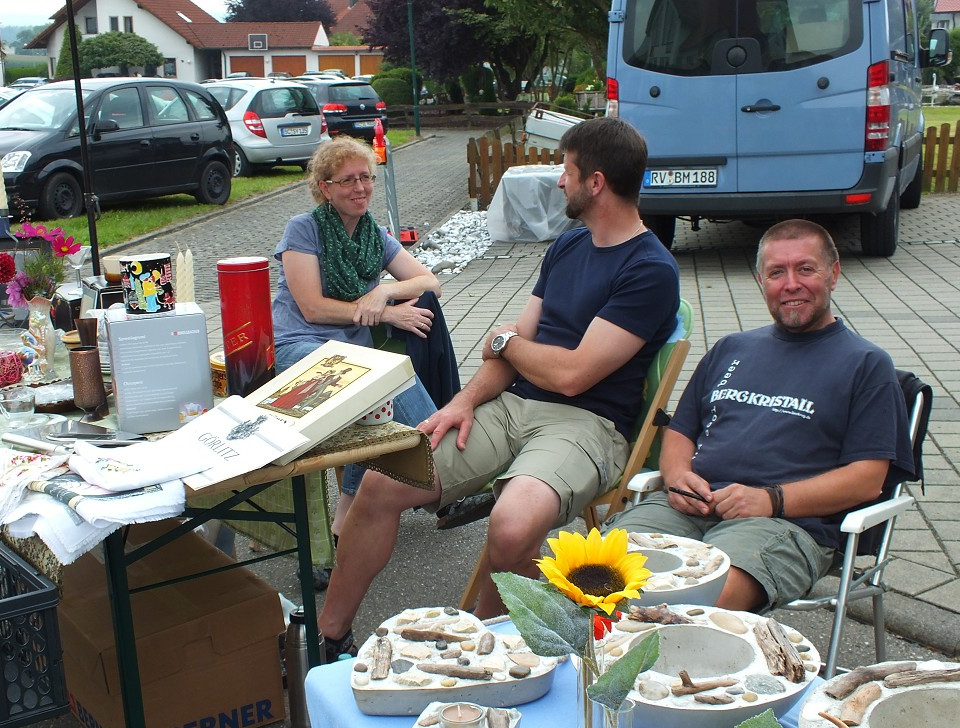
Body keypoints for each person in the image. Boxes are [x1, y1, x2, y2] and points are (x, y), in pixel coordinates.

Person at [318, 117, 681, 659]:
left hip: (588, 426)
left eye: (567, 170)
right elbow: (514, 347)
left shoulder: (650, 269)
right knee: (379, 482)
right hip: (512, 408)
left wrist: (508, 344)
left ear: (596, 182)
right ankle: (329, 639)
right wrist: (463, 401)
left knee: (510, 529)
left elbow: (571, 373)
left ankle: (494, 645)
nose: (560, 181)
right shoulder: (568, 247)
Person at [613, 219, 916, 611]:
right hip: (690, 508)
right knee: (595, 572)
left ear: (833, 273)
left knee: (700, 599)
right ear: (761, 280)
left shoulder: (866, 364)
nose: (791, 283)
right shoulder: (731, 349)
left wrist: (772, 500)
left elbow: (867, 480)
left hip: (784, 525)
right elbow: (680, 431)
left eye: (805, 269)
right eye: (777, 272)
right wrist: (677, 477)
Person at [272, 137, 442, 581]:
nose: (360, 187)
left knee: (389, 379)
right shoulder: (303, 229)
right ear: (325, 188)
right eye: (348, 180)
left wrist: (385, 290)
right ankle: (359, 513)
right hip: (299, 345)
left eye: (366, 177)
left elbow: (429, 281)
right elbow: (311, 308)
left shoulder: (375, 235)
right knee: (372, 381)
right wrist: (386, 314)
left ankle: (439, 469)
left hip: (354, 356)